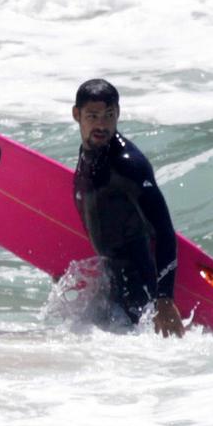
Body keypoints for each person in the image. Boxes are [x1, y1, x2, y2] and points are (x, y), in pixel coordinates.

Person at [72, 79, 185, 338]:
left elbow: (165, 233)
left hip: (139, 295)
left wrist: (165, 300)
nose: (101, 124)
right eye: (93, 116)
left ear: (118, 114)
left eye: (109, 115)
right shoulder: (89, 153)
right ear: (76, 115)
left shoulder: (129, 166)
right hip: (108, 286)